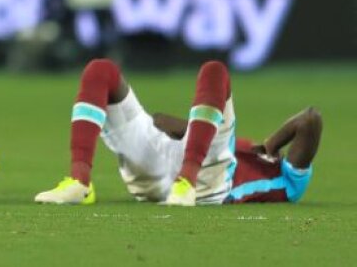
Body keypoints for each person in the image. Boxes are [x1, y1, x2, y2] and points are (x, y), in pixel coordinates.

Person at [35, 58, 321, 205]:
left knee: (215, 71)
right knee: (101, 70)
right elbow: (159, 120)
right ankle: (79, 181)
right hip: (160, 173)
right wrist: (198, 132)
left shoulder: (290, 185)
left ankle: (187, 182)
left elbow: (310, 120)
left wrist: (271, 145)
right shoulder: (240, 146)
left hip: (210, 185)